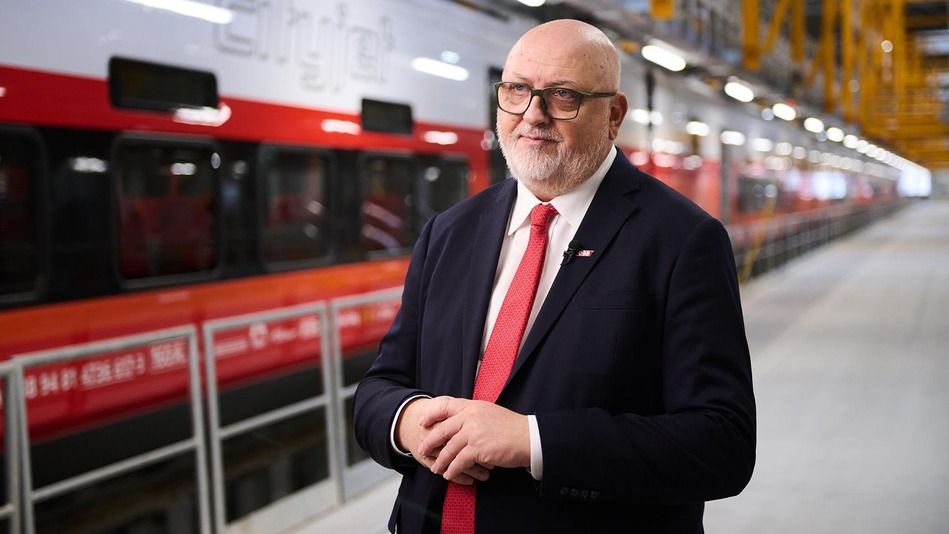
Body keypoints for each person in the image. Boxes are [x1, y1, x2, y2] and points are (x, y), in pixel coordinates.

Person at [353, 19, 755, 534]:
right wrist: (408, 422)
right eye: (516, 90)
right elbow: (377, 388)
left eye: (562, 95)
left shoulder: (683, 240)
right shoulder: (449, 232)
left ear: (613, 115)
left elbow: (722, 444)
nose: (532, 115)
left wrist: (531, 440)